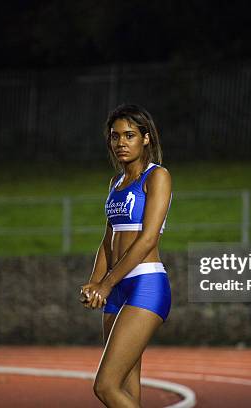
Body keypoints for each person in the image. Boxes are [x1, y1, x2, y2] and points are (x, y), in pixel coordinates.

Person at [79, 104, 172, 407]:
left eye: (129, 135)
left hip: (145, 286)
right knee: (127, 391)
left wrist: (105, 284)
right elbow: (108, 240)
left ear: (146, 138)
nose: (121, 142)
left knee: (105, 387)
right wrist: (95, 282)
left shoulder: (157, 177)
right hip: (116, 289)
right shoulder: (115, 183)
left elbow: (147, 240)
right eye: (115, 136)